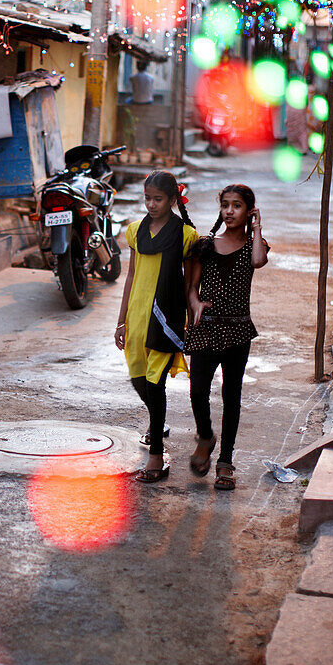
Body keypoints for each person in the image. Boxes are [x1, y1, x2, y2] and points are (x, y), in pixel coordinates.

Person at [114, 171, 198, 483]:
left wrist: (191, 322)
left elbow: (191, 284)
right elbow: (132, 276)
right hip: (137, 317)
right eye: (147, 198)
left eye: (158, 199)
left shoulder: (186, 235)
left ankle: (157, 458)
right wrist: (121, 320)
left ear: (174, 200)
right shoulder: (135, 231)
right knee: (138, 377)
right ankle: (156, 419)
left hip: (166, 318)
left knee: (155, 382)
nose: (151, 204)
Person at [184, 184, 269, 490]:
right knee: (197, 392)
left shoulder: (253, 245)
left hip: (238, 329)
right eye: (225, 205)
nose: (230, 211)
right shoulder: (206, 244)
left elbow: (258, 261)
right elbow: (191, 286)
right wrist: (194, 304)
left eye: (237, 206)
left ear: (248, 211)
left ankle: (225, 462)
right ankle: (205, 437)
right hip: (205, 327)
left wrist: (257, 228)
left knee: (231, 396)